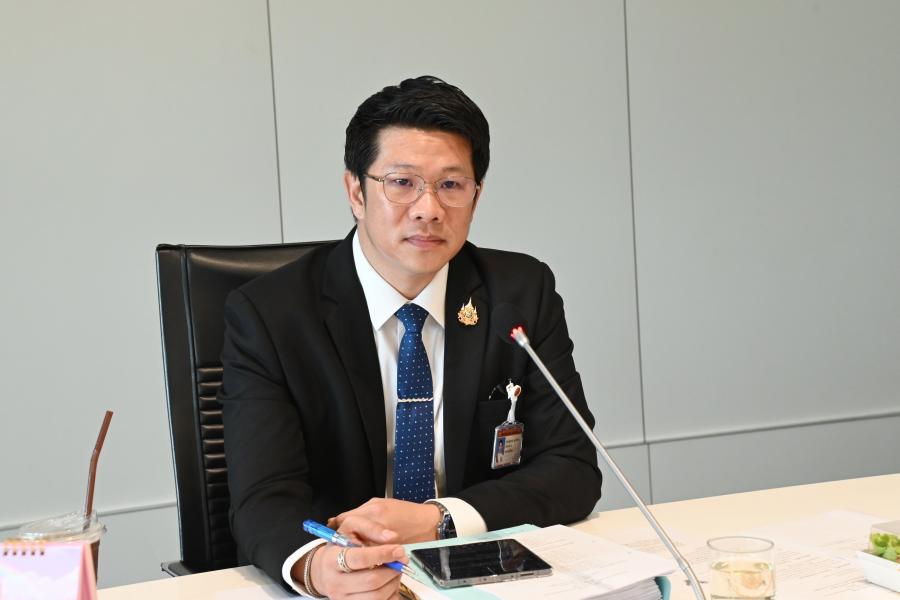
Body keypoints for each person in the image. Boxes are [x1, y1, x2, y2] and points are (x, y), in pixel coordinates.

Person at [218, 75, 602, 599]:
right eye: (402, 183)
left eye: (451, 185)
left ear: (476, 196)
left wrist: (439, 518)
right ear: (356, 191)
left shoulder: (519, 293)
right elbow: (263, 496)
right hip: (352, 580)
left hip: (479, 577)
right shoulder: (271, 314)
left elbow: (573, 468)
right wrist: (317, 568)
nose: (428, 209)